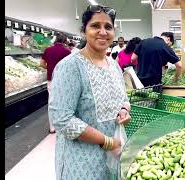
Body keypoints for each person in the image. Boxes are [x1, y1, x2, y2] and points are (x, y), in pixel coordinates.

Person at [48, 4, 131, 179]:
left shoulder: (113, 65)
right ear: (84, 31)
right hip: (81, 161)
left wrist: (124, 110)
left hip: (112, 156)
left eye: (108, 27)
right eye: (95, 26)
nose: (103, 31)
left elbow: (124, 98)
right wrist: (107, 141)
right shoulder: (71, 66)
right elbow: (61, 119)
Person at [40, 33, 71, 134]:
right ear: (65, 41)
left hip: (51, 80)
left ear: (55, 40)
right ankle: (63, 125)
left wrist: (49, 68)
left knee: (51, 102)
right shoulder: (67, 52)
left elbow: (41, 64)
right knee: (63, 102)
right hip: (64, 80)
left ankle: (52, 127)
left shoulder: (48, 50)